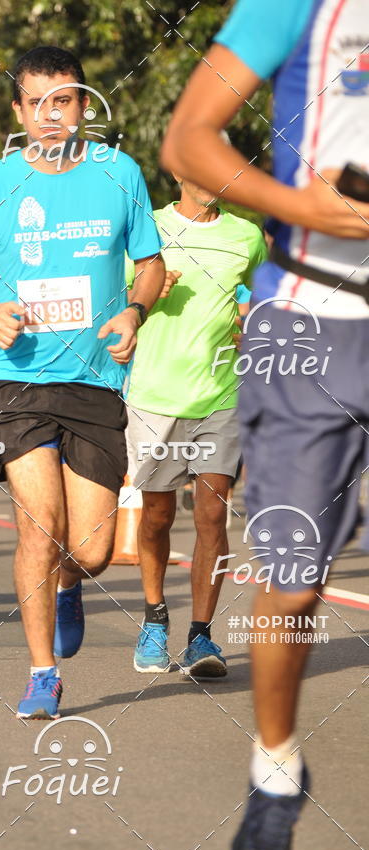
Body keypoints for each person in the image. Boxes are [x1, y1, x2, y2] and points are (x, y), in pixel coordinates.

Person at [161, 1, 369, 850]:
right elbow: (189, 141)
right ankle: (275, 769)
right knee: (293, 578)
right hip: (310, 321)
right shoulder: (296, 5)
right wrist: (301, 206)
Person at [0, 45, 168, 719]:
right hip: (15, 381)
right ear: (19, 112)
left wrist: (134, 308)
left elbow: (150, 262)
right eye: (36, 103)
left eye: (63, 100)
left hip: (94, 384)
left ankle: (67, 585)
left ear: (84, 105)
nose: (50, 115)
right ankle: (41, 673)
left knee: (87, 548)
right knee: (40, 527)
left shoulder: (120, 174)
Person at [127, 165, 266, 677]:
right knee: (158, 516)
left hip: (221, 394)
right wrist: (145, 295)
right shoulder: (147, 228)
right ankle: (154, 619)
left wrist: (255, 326)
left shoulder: (246, 236)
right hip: (154, 396)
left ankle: (202, 638)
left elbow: (263, 294)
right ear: (177, 171)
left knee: (212, 514)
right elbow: (115, 299)